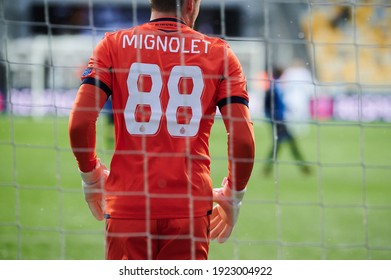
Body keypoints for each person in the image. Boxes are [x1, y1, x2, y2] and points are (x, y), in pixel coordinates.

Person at [68, 0, 255, 260]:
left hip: (128, 204)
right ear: (191, 3)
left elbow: (79, 122)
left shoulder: (113, 44)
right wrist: (234, 195)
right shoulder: (220, 54)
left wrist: (90, 176)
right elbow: (243, 140)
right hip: (189, 208)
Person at [263, 67, 310, 176]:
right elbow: (268, 106)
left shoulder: (275, 87)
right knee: (289, 144)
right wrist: (272, 119)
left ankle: (267, 168)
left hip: (280, 120)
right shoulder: (273, 88)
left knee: (279, 145)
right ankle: (303, 167)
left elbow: (278, 104)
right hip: (278, 121)